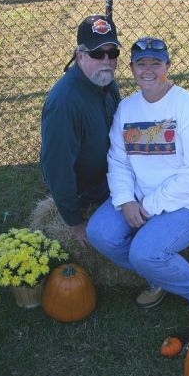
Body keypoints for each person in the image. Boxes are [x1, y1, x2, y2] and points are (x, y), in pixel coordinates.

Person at [86, 36, 189, 326]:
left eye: (156, 63)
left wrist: (148, 206)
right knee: (100, 233)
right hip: (142, 195)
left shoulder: (187, 108)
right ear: (131, 68)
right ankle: (160, 275)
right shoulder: (127, 109)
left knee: (145, 251)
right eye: (141, 64)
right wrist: (126, 200)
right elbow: (118, 160)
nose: (149, 70)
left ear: (168, 65)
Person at [41, 15, 121, 246]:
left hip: (112, 174)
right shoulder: (64, 102)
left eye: (112, 53)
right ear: (80, 56)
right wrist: (75, 222)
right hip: (88, 191)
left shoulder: (106, 82)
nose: (106, 60)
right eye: (97, 54)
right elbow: (57, 167)